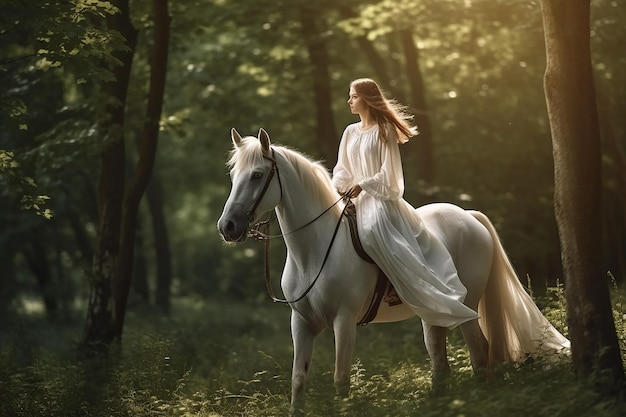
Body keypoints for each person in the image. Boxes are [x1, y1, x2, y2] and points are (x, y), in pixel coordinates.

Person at [331, 78, 478, 328]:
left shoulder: (384, 129)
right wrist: (339, 187)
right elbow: (342, 168)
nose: (349, 101)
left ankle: (394, 287)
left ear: (366, 99)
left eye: (354, 96)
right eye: (350, 96)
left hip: (378, 199)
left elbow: (388, 173)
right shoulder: (349, 131)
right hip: (350, 198)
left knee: (371, 231)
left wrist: (363, 185)